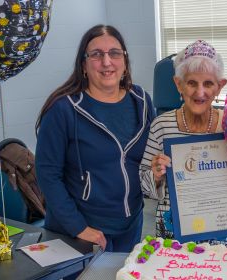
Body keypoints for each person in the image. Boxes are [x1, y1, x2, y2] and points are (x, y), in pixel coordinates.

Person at [35, 25, 155, 252]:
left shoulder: (141, 101)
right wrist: (78, 228)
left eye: (115, 53)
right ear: (84, 65)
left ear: (125, 62)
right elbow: (47, 175)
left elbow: (151, 158)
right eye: (97, 54)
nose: (107, 62)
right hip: (81, 232)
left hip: (131, 224)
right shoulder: (63, 109)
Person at [139, 40, 227, 245]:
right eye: (192, 83)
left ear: (220, 86)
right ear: (179, 84)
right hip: (176, 237)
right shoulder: (161, 126)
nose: (200, 92)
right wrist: (156, 176)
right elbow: (144, 186)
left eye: (208, 83)